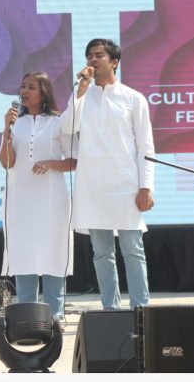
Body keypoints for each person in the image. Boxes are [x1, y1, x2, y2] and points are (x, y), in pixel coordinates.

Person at [61, 38, 155, 310]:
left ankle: (141, 310)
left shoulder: (133, 98)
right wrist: (80, 91)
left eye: (99, 55)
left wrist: (145, 187)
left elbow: (145, 147)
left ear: (114, 62)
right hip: (92, 186)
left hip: (126, 185)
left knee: (133, 250)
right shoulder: (81, 95)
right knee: (102, 253)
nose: (92, 59)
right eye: (89, 55)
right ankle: (110, 310)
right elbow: (66, 128)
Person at [0, 72, 77, 320]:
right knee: (23, 252)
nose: (24, 91)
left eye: (31, 87)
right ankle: (27, 315)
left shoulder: (59, 122)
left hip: (51, 200)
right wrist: (6, 130)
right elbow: (6, 162)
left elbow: (74, 161)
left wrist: (51, 163)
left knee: (54, 251)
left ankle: (55, 315)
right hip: (21, 199)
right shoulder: (16, 124)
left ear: (44, 92)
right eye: (22, 86)